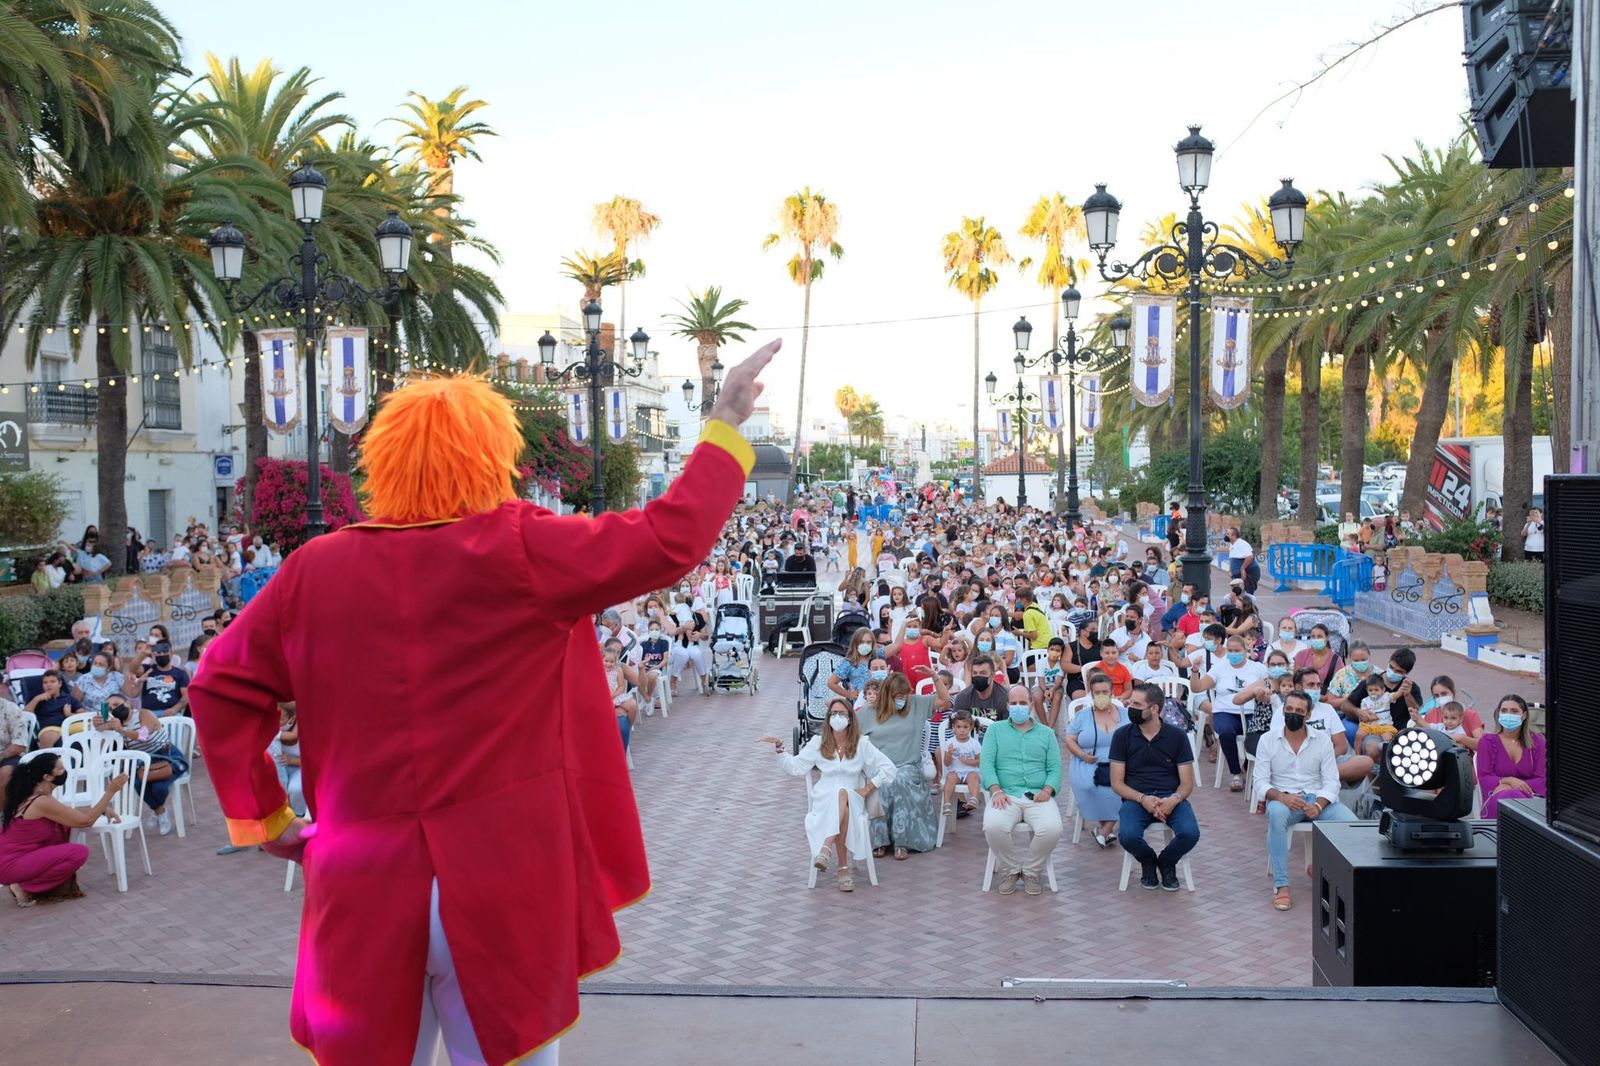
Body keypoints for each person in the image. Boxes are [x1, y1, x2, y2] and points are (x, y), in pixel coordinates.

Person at [190, 340, 779, 1065]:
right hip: (505, 883)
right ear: (490, 458)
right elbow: (670, 538)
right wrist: (723, 425)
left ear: (384, 464)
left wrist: (268, 817)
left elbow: (218, 685)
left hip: (361, 881)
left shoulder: (313, 569)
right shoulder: (521, 546)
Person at [760, 697, 895, 892]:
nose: (837, 717)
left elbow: (889, 768)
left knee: (843, 793)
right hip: (823, 798)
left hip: (854, 797)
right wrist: (780, 747)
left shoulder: (861, 744)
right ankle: (842, 869)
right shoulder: (818, 742)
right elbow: (797, 767)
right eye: (833, 714)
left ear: (850, 718)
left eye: (842, 713)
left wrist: (868, 788)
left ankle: (826, 848)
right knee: (842, 802)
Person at [1253, 690, 1358, 911]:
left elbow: (1332, 781)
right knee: (1277, 816)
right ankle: (1282, 885)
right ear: (1283, 710)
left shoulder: (1322, 741)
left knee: (1352, 826)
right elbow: (1260, 782)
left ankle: (1320, 868)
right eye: (1289, 709)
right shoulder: (1267, 740)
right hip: (1284, 798)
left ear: (1308, 715)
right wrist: (1282, 797)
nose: (1293, 714)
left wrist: (1319, 804)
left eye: (1299, 711)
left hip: (1317, 799)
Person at [1, 752, 127, 906]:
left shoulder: (37, 796)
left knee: (70, 847)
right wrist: (110, 791)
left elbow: (67, 814)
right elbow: (85, 821)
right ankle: (23, 885)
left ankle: (25, 883)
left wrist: (101, 809)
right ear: (47, 777)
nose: (64, 772)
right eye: (60, 769)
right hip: (10, 865)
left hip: (14, 860)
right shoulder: (41, 801)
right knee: (78, 853)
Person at [1110, 682, 1200, 891]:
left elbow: (1187, 783)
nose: (1130, 707)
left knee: (1190, 833)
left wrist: (1173, 800)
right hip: (1136, 798)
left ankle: (1166, 862)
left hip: (1171, 797)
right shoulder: (1122, 736)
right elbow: (1117, 783)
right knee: (1128, 836)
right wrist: (1143, 799)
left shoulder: (1177, 736)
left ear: (1154, 709)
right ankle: (1148, 861)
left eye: (1137, 704)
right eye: (1131, 702)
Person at [979, 684, 1063, 896]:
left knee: (1052, 828)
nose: (1018, 707)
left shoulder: (1046, 733)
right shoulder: (995, 730)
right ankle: (1010, 871)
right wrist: (996, 790)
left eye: (1023, 703)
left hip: (1038, 796)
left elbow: (1055, 768)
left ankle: (1031, 872)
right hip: (1005, 794)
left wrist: (1047, 789)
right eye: (1014, 703)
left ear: (1032, 705)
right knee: (993, 826)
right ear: (1007, 706)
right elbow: (986, 764)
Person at [860, 672, 941, 859]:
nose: (902, 699)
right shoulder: (869, 712)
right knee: (881, 781)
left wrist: (934, 677)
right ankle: (880, 840)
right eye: (898, 696)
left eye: (904, 695)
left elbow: (944, 700)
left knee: (898, 780)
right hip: (880, 767)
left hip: (908, 766)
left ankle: (901, 841)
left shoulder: (915, 705)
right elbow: (851, 734)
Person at [94, 694, 187, 834]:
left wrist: (121, 730)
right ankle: (160, 812)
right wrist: (97, 724)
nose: (114, 708)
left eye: (117, 704)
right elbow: (100, 732)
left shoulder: (144, 714)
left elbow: (143, 736)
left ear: (127, 703)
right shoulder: (116, 723)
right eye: (110, 707)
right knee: (137, 784)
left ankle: (157, 812)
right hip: (144, 764)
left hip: (167, 757)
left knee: (159, 788)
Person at [1063, 674, 1128, 848]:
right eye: (1097, 692)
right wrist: (1082, 755)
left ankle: (1104, 831)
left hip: (1120, 763)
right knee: (1090, 786)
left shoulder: (1125, 714)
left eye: (1105, 692)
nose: (1101, 695)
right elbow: (1069, 738)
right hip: (1087, 761)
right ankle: (1106, 828)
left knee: (1124, 787)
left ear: (1112, 692)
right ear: (1091, 694)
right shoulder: (1082, 716)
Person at [1476, 695, 1546, 819]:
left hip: (1529, 797)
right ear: (1498, 714)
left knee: (1513, 795)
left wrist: (1515, 786)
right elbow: (1484, 777)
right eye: (1504, 711)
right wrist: (1507, 780)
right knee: (1508, 796)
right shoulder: (1487, 741)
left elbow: (1542, 779)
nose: (1508, 714)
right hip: (1498, 796)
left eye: (1514, 711)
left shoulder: (1537, 741)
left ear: (1524, 715)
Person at [1347, 647, 1423, 759]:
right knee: (1373, 748)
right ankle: (1364, 766)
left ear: (1406, 673)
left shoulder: (1411, 688)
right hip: (1373, 730)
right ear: (1388, 662)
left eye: (1399, 671)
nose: (1393, 672)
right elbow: (1346, 705)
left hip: (1398, 732)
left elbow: (1416, 712)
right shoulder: (1371, 683)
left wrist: (1407, 695)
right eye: (1391, 667)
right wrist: (1358, 712)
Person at [1418, 675, 1486, 751]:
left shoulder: (1470, 715)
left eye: (1444, 694)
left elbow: (1483, 745)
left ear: (1453, 692)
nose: (1441, 698)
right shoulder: (1431, 714)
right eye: (1436, 696)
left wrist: (1461, 738)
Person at [939, 710, 982, 817]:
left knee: (973, 777)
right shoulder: (950, 742)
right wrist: (949, 754)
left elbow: (980, 761)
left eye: (965, 727)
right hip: (955, 772)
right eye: (958, 727)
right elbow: (946, 763)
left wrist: (969, 761)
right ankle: (947, 803)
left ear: (971, 727)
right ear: (954, 727)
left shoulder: (974, 744)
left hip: (970, 772)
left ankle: (974, 799)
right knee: (950, 777)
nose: (962, 730)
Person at [26, 671, 81, 749]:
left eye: (52, 682)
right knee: (48, 736)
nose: (48, 685)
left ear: (60, 684)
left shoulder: (68, 698)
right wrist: (36, 699)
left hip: (69, 725)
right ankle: (48, 756)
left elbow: (83, 714)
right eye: (45, 683)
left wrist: (70, 714)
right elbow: (25, 715)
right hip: (50, 728)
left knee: (91, 727)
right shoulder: (39, 699)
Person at [952, 654, 1008, 722]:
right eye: (975, 673)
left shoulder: (1004, 697)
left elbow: (1006, 726)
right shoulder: (963, 697)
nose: (978, 676)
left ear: (992, 675)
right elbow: (956, 724)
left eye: (983, 673)